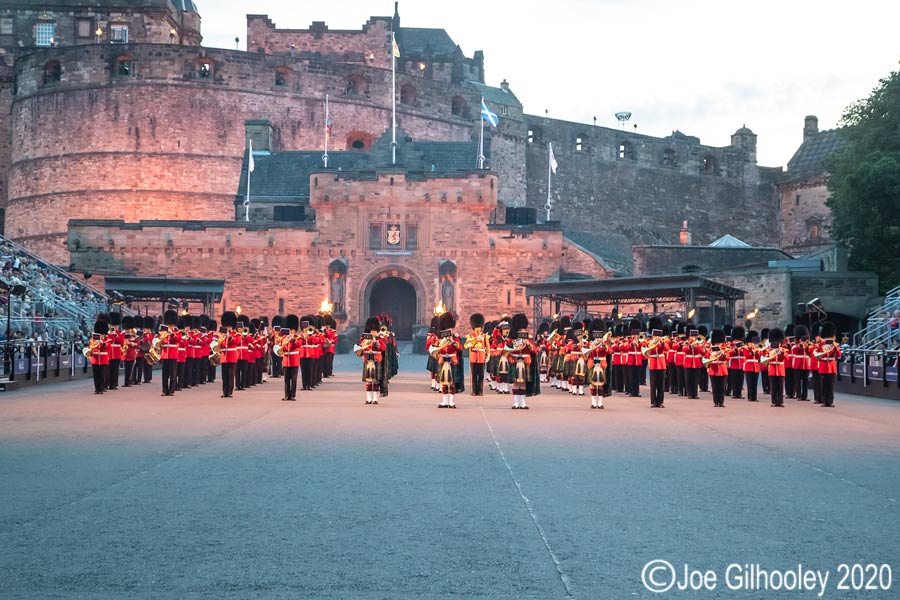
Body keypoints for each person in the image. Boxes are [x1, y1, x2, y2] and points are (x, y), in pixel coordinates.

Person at [431, 312, 464, 408]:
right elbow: (434, 349)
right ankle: (444, 401)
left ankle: (451, 401)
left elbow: (460, 348)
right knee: (444, 382)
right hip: (443, 360)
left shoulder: (455, 337)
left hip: (452, 360)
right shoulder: (439, 338)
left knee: (452, 382)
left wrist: (453, 342)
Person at [506, 313, 538, 409]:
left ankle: (523, 402)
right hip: (515, 359)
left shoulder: (529, 338)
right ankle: (516, 402)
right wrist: (516, 343)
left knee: (523, 383)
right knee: (516, 382)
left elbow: (535, 350)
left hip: (525, 360)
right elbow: (507, 349)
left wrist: (528, 343)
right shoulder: (511, 338)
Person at [355, 316, 388, 405]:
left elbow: (383, 348)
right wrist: (366, 343)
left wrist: (375, 341)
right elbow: (360, 347)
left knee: (376, 380)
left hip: (377, 359)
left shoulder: (380, 338)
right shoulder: (364, 338)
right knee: (368, 380)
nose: (372, 331)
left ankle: (375, 398)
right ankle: (368, 398)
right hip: (368, 358)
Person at [816, 322, 841, 407]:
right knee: (823, 385)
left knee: (831, 385)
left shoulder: (835, 345)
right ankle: (824, 401)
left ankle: (830, 401)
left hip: (832, 366)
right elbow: (817, 356)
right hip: (823, 366)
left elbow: (839, 355)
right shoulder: (820, 345)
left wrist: (835, 349)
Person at [586, 319, 609, 408]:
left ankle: (600, 402)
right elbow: (585, 354)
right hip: (592, 364)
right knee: (592, 384)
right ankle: (593, 402)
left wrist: (604, 345)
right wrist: (591, 346)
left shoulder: (604, 343)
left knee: (601, 384)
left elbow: (609, 351)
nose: (598, 337)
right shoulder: (590, 343)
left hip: (602, 364)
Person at [645, 318, 667, 408]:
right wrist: (652, 344)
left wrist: (661, 343)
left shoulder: (662, 341)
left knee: (661, 384)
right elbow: (648, 351)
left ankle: (660, 402)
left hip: (661, 364)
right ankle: (654, 401)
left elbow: (666, 349)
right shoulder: (649, 342)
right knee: (653, 384)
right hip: (653, 363)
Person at [465, 313, 488, 396]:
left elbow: (487, 347)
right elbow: (466, 345)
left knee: (481, 375)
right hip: (473, 357)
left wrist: (487, 356)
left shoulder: (485, 336)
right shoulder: (470, 336)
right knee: (474, 375)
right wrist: (470, 344)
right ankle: (474, 390)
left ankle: (480, 390)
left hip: (481, 357)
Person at [762, 327, 786, 407]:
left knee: (780, 387)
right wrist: (769, 354)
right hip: (772, 369)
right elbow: (764, 357)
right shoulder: (768, 349)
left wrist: (781, 353)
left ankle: (780, 402)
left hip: (780, 370)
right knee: (773, 387)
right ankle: (773, 402)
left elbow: (787, 357)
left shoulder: (783, 349)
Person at [279, 315, 301, 401]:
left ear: (295, 330)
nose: (291, 331)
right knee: (286, 379)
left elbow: (298, 345)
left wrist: (293, 340)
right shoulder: (284, 338)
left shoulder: (297, 338)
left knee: (294, 378)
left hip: (294, 359)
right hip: (286, 360)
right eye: (290, 329)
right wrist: (283, 342)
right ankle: (287, 395)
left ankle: (293, 395)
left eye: (292, 330)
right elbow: (281, 348)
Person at [159, 310, 180, 396]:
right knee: (164, 373)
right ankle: (164, 390)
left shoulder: (177, 332)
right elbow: (161, 341)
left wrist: (172, 334)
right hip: (164, 354)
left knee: (173, 373)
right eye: (169, 324)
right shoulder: (163, 331)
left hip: (173, 354)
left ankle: (171, 390)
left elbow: (178, 340)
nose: (169, 326)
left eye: (171, 324)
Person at [218, 311, 238, 398]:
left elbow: (236, 342)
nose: (228, 327)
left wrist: (229, 337)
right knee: (224, 375)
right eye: (227, 326)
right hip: (224, 356)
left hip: (232, 356)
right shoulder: (222, 335)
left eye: (229, 326)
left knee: (230, 375)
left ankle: (230, 392)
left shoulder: (236, 334)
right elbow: (220, 345)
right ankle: (224, 392)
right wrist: (222, 339)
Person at [706, 329, 728, 407]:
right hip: (713, 368)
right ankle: (715, 402)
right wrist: (712, 355)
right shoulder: (710, 348)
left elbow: (727, 357)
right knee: (715, 386)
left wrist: (722, 354)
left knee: (722, 387)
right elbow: (707, 356)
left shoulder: (724, 348)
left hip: (722, 369)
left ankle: (721, 402)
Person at [89, 317, 109, 395]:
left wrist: (102, 342)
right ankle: (97, 389)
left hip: (103, 358)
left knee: (102, 375)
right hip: (95, 358)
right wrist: (92, 348)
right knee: (96, 375)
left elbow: (108, 347)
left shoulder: (107, 339)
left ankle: (101, 388)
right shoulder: (93, 339)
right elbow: (90, 346)